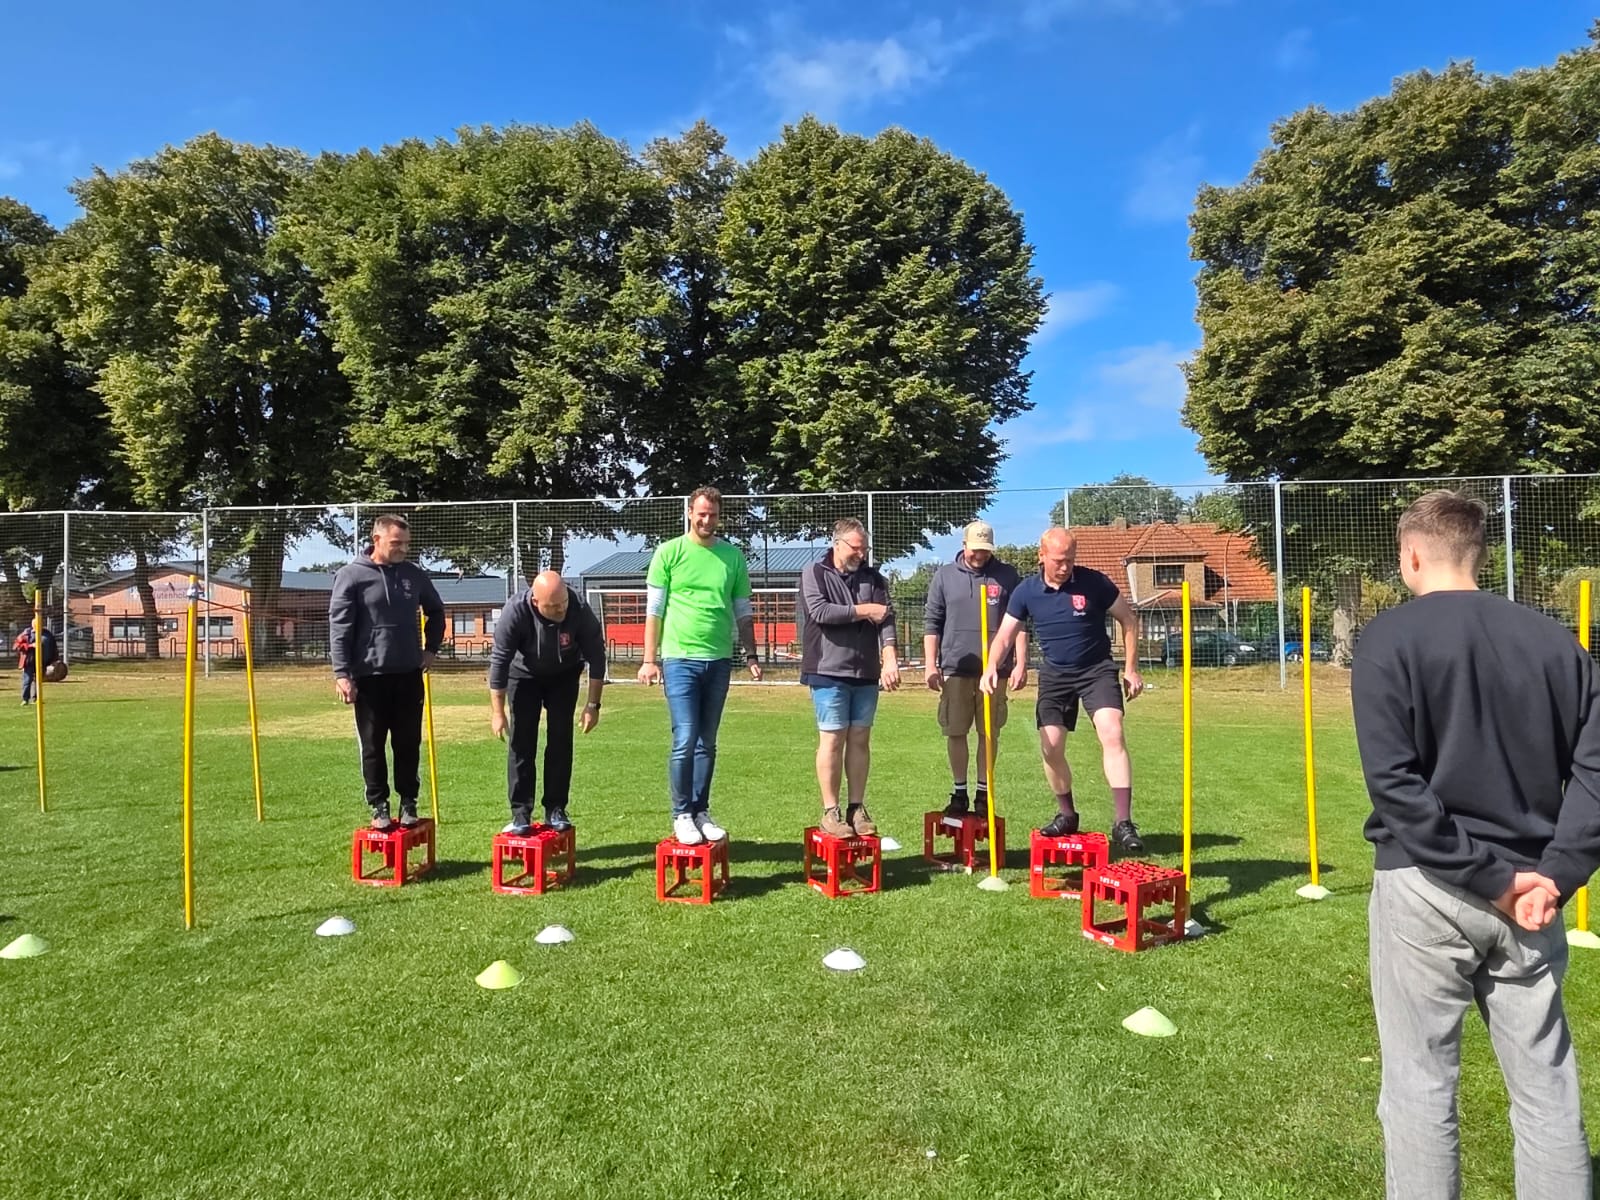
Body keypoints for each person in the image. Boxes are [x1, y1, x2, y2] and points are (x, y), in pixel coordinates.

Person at [1351, 490, 1600, 1199]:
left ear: (1410, 555)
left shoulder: (1388, 639)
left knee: (1421, 1083)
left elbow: (1394, 785)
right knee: (1547, 1084)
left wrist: (1492, 878)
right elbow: (1595, 772)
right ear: (1480, 556)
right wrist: (1557, 873)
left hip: (1428, 886)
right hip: (1533, 892)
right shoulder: (1558, 642)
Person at [980, 527, 1146, 853]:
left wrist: (1130, 668)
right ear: (1041, 556)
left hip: (1096, 670)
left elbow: (1128, 620)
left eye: (1070, 559)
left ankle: (1123, 822)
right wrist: (990, 667)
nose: (1065, 566)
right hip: (1055, 675)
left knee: (1112, 731)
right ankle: (1067, 814)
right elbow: (1004, 636)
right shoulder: (1027, 591)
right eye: (1058, 560)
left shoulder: (1095, 583)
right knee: (1051, 747)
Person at [638, 486, 763, 845]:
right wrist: (649, 660)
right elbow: (654, 611)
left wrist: (751, 654)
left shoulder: (732, 557)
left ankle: (700, 811)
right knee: (685, 737)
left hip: (719, 661)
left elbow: (743, 611)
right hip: (679, 660)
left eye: (713, 515)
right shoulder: (669, 552)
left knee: (707, 742)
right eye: (701, 513)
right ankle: (681, 814)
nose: (707, 520)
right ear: (690, 513)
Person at [328, 514, 445, 832]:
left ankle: (409, 802)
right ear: (376, 539)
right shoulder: (351, 576)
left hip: (408, 674)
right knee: (372, 745)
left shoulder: (413, 575)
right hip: (368, 678)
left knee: (408, 743)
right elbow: (340, 628)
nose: (403, 549)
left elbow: (436, 611)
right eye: (397, 543)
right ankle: (379, 804)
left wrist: (431, 648)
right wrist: (342, 673)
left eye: (406, 543)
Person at [799, 518, 900, 838]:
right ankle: (831, 812)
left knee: (860, 739)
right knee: (832, 739)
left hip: (866, 672)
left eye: (864, 548)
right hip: (827, 671)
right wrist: (864, 610)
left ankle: (856, 808)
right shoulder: (814, 573)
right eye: (856, 548)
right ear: (837, 544)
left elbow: (886, 618)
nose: (861, 554)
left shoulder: (874, 578)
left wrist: (890, 657)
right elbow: (821, 612)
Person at [488, 570, 606, 836]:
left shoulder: (579, 608)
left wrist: (593, 705)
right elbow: (499, 662)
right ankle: (520, 813)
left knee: (560, 740)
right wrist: (497, 712)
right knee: (522, 742)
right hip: (523, 676)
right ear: (535, 601)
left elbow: (597, 657)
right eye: (553, 606)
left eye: (563, 602)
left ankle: (556, 809)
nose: (561, 609)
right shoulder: (515, 611)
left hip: (564, 676)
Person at [923, 521, 1028, 818]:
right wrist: (931, 664)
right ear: (964, 545)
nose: (980, 555)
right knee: (956, 731)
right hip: (956, 667)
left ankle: (983, 793)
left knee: (989, 733)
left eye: (986, 550)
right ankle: (959, 793)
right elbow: (932, 623)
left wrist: (1021, 662)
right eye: (975, 549)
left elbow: (1020, 623)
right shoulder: (944, 576)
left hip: (995, 671)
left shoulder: (1007, 576)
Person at [14, 623, 58, 706]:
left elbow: (54, 647)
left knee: (38, 681)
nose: (38, 626)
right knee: (27, 681)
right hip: (29, 661)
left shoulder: (48, 634)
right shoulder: (26, 633)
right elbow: (17, 646)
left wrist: (54, 660)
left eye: (40, 624)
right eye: (36, 624)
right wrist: (31, 645)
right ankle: (25, 699)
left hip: (43, 661)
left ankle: (36, 699)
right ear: (33, 625)